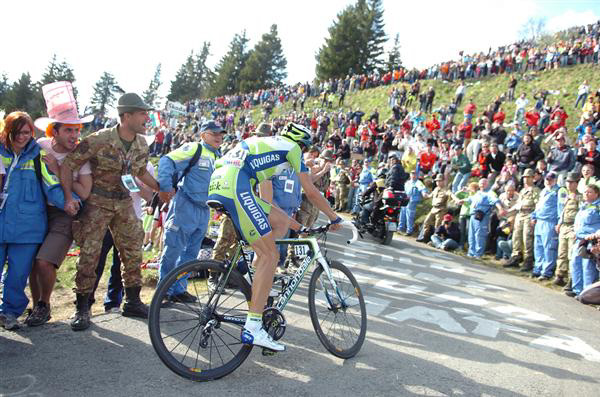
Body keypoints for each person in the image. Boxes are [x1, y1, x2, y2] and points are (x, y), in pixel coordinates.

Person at [207, 122, 342, 352]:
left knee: (273, 232)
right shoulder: (292, 149)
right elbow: (310, 190)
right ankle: (253, 326)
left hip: (222, 182)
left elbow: (267, 205)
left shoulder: (266, 148)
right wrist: (334, 217)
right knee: (270, 255)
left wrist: (297, 226)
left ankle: (256, 290)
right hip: (236, 184)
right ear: (301, 144)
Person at [59, 93, 160, 331]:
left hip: (124, 202)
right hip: (98, 202)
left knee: (133, 250)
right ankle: (83, 307)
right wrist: (67, 197)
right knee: (90, 255)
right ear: (127, 116)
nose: (147, 117)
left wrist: (161, 188)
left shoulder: (141, 143)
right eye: (142, 113)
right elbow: (68, 165)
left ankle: (132, 301)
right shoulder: (99, 139)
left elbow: (139, 172)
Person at [26, 85, 94, 326]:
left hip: (65, 214)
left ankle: (44, 303)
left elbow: (85, 192)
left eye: (77, 130)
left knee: (44, 261)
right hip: (35, 210)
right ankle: (37, 307)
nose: (74, 135)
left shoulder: (81, 157)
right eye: (68, 130)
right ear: (53, 131)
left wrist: (61, 171)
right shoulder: (40, 146)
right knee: (33, 261)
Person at [156, 120, 225, 302]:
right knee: (173, 249)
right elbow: (166, 161)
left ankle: (179, 289)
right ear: (203, 135)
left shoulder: (219, 157)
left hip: (204, 211)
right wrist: (164, 187)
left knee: (191, 254)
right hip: (185, 206)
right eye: (214, 133)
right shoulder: (194, 148)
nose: (219, 136)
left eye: (221, 133)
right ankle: (163, 291)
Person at [0, 112, 48, 330]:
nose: (22, 137)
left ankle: (9, 314)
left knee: (18, 275)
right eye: (17, 132)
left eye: (26, 132)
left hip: (28, 228)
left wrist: (71, 202)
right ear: (8, 132)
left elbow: (52, 184)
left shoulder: (39, 156)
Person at [503, 169, 540, 271]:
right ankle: (516, 257)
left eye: (528, 177)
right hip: (520, 214)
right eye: (524, 177)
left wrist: (535, 217)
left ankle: (528, 261)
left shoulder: (535, 190)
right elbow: (518, 204)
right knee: (516, 236)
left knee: (527, 238)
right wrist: (509, 211)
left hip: (529, 214)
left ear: (533, 178)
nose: (525, 179)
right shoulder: (523, 191)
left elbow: (538, 205)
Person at [460, 178, 505, 258]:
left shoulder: (490, 193)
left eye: (484, 183)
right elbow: (470, 199)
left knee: (479, 235)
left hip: (482, 217)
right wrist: (463, 200)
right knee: (471, 235)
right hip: (473, 215)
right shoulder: (478, 193)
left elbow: (495, 201)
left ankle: (478, 254)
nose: (482, 184)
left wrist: (500, 209)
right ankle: (471, 253)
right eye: (481, 183)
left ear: (487, 184)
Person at [569, 184, 600, 297]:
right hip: (579, 239)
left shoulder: (598, 207)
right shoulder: (584, 206)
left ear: (596, 194)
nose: (586, 194)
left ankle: (586, 293)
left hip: (591, 240)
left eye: (589, 192)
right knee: (575, 263)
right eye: (585, 192)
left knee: (588, 267)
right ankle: (577, 289)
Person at [531, 172, 560, 280]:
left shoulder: (558, 191)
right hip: (539, 221)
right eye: (547, 179)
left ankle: (547, 272)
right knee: (538, 246)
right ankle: (537, 269)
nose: (548, 181)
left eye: (551, 179)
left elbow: (561, 208)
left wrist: (559, 222)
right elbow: (538, 205)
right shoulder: (543, 190)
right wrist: (533, 216)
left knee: (549, 248)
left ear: (555, 180)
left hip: (550, 221)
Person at [554, 172, 581, 287]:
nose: (569, 184)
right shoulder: (567, 195)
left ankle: (571, 279)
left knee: (571, 254)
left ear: (576, 183)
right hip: (564, 225)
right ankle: (560, 275)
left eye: (571, 182)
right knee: (562, 252)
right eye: (567, 182)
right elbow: (563, 211)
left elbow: (581, 214)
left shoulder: (580, 197)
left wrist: (577, 229)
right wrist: (559, 223)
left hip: (573, 226)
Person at [417, 174, 451, 242]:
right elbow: (430, 196)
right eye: (437, 181)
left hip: (441, 209)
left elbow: (451, 195)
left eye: (439, 181)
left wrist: (457, 200)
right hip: (433, 209)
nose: (438, 182)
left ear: (443, 181)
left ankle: (435, 241)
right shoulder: (436, 189)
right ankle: (424, 237)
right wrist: (425, 195)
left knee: (437, 226)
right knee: (426, 221)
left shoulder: (446, 190)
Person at [399, 170, 427, 235]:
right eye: (412, 174)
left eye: (415, 174)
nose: (413, 175)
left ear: (417, 175)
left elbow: (423, 189)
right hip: (405, 200)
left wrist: (424, 193)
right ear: (410, 175)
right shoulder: (407, 182)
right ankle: (400, 228)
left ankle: (409, 231)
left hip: (412, 201)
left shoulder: (418, 182)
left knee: (409, 215)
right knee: (402, 213)